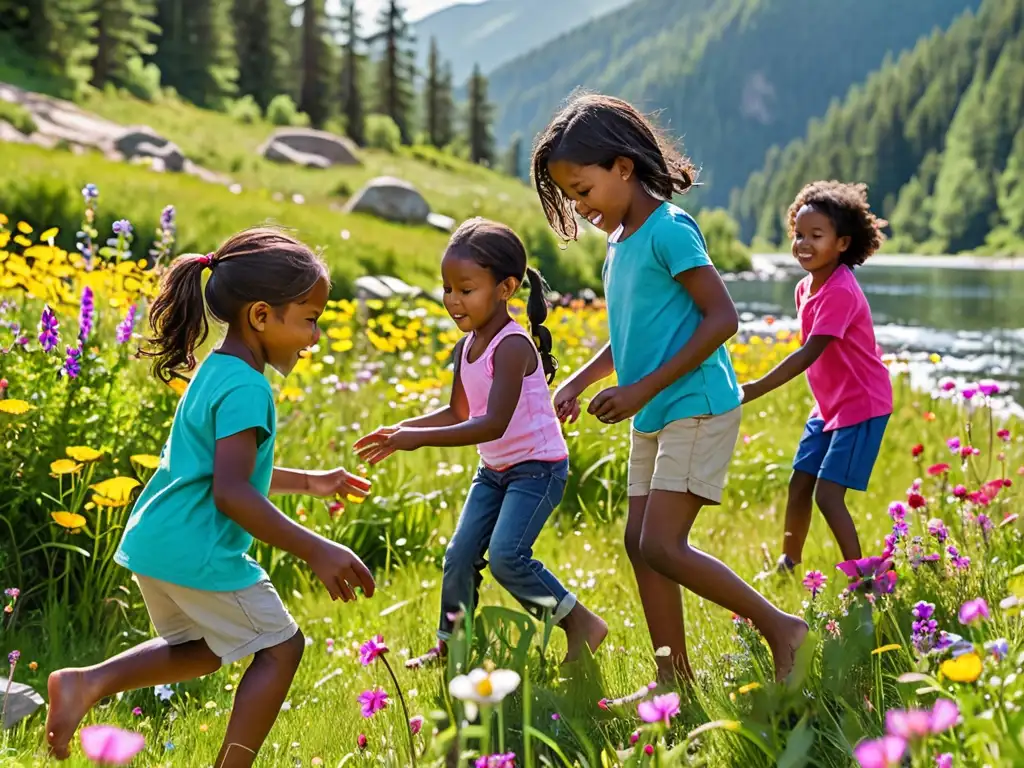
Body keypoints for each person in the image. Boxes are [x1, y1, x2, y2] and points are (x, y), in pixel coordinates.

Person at [45, 228, 376, 767]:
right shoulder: (248, 386)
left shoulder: (218, 369)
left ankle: (87, 683)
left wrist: (312, 482)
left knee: (202, 650)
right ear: (262, 316)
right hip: (195, 550)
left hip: (159, 540)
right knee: (281, 648)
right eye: (310, 319)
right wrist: (317, 549)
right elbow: (231, 493)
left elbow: (223, 473)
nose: (314, 337)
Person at [532, 92, 808, 684]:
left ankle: (782, 627)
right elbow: (632, 333)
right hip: (655, 409)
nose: (580, 209)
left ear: (623, 168)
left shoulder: (668, 229)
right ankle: (672, 678)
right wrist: (583, 379)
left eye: (582, 191)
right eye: (569, 198)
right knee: (639, 543)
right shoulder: (620, 243)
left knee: (661, 543)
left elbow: (722, 318)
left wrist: (639, 390)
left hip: (696, 403)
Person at [353, 218, 607, 668]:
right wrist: (401, 431)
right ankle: (453, 647)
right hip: (494, 471)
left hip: (538, 469)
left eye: (465, 289)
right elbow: (457, 413)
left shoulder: (512, 347)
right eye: (447, 288)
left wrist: (419, 441)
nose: (453, 300)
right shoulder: (467, 346)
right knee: (459, 555)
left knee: (508, 557)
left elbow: (491, 423)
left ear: (505, 288)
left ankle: (582, 624)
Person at [741, 181, 892, 573]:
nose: (803, 244)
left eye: (816, 236)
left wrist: (755, 388)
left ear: (842, 243)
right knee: (800, 484)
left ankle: (865, 581)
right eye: (798, 234)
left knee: (828, 496)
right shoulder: (805, 288)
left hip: (861, 404)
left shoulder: (840, 290)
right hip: (828, 407)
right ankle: (788, 564)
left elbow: (810, 353)